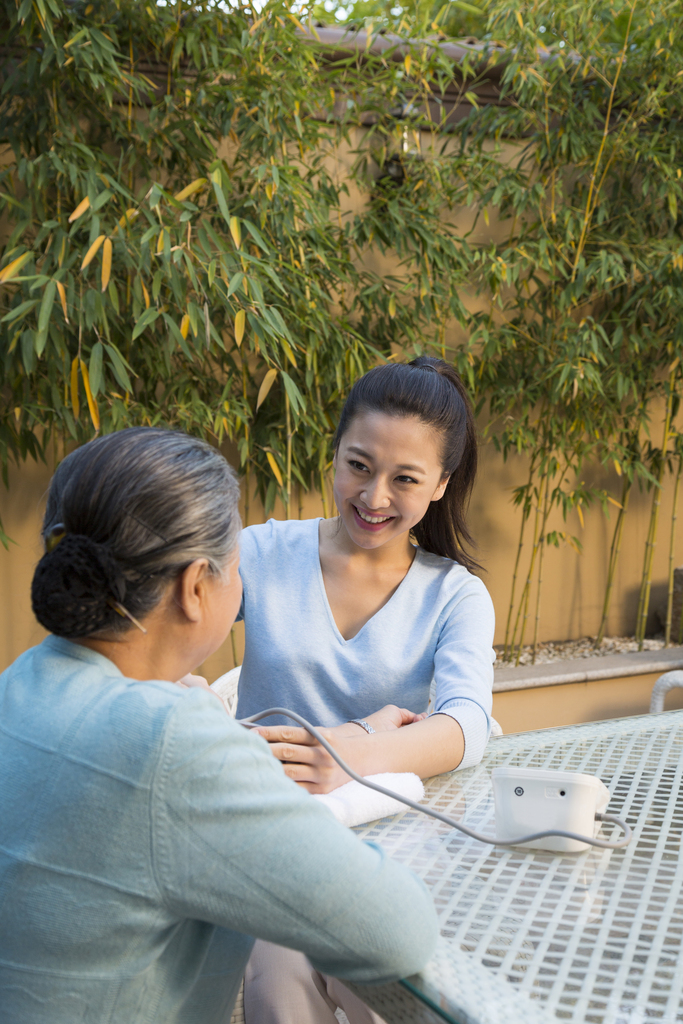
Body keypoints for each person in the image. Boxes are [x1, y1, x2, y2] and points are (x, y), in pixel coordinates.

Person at [0, 427, 438, 1024]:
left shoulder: (21, 683)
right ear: (194, 588)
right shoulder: (172, 745)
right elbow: (399, 931)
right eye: (236, 566)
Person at [235, 356, 496, 1024]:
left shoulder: (454, 595)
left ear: (439, 484)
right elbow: (170, 620)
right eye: (358, 465)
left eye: (404, 478)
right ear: (334, 456)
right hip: (273, 843)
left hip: (397, 847)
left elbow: (465, 727)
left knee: (417, 996)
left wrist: (347, 751)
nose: (373, 496)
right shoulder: (263, 554)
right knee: (280, 978)